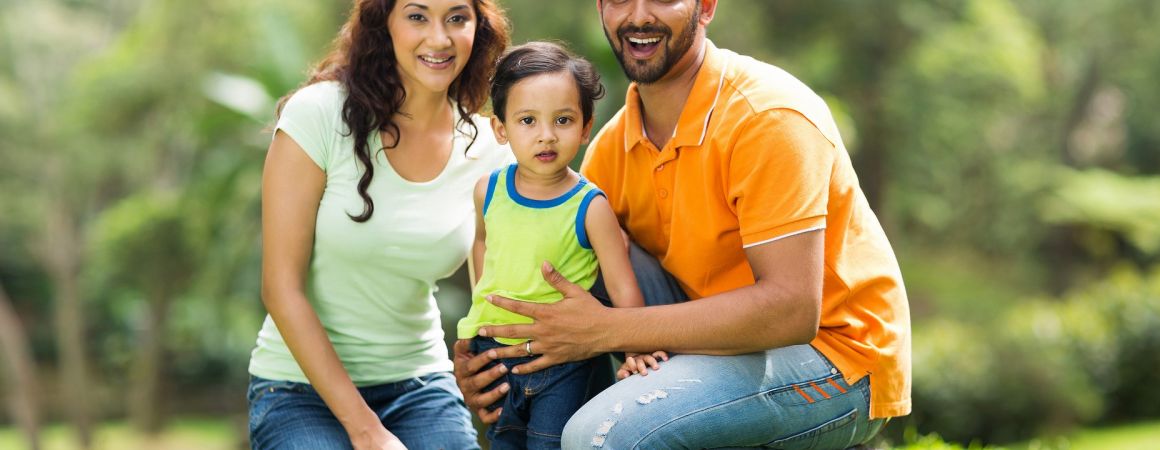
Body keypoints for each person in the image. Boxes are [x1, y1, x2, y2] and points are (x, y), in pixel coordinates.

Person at [454, 1, 912, 449]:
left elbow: (792, 311)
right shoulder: (610, 150)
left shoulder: (767, 116)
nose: (638, 15)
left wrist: (612, 331)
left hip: (835, 361)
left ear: (706, 6)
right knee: (574, 247)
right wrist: (494, 359)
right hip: (703, 341)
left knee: (601, 436)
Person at [248, 1, 510, 449]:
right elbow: (279, 289)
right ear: (383, 25)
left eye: (456, 18)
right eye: (417, 16)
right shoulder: (318, 116)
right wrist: (367, 432)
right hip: (296, 390)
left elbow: (497, 289)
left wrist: (481, 358)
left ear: (478, 28)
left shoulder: (490, 148)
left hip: (420, 385)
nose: (439, 38)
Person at [456, 41, 668, 450]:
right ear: (501, 129)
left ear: (586, 127)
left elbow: (622, 286)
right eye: (528, 121)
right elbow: (483, 243)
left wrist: (635, 347)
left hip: (564, 363)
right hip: (497, 355)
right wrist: (481, 310)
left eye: (563, 120)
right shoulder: (489, 190)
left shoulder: (591, 207)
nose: (546, 135)